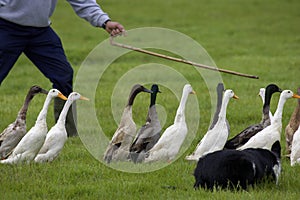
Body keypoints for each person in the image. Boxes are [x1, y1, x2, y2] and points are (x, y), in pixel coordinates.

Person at [0, 0, 125, 136]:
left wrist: (104, 21)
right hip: (6, 28)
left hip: (40, 32)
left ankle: (66, 132)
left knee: (63, 75)